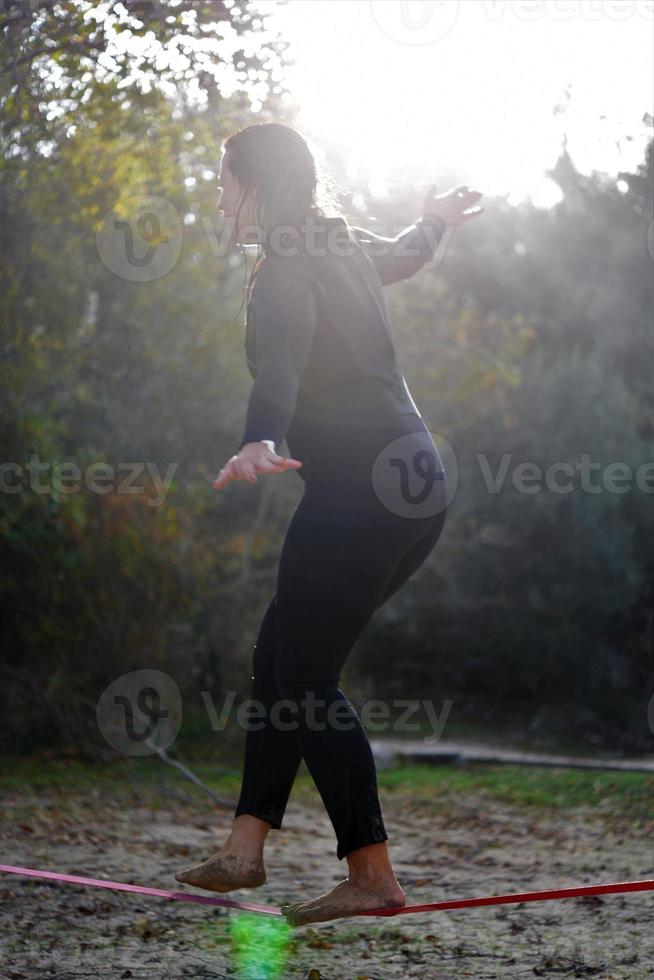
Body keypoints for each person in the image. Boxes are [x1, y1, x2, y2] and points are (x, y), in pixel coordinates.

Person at [175, 123, 483, 926]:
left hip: (361, 491)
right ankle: (245, 849)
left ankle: (372, 872)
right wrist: (437, 220)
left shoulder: (285, 270)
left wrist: (259, 437)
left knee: (305, 676)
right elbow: (407, 255)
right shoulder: (339, 246)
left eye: (223, 179)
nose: (217, 195)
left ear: (258, 185)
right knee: (283, 657)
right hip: (418, 481)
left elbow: (280, 360)